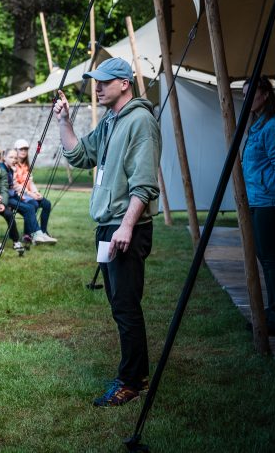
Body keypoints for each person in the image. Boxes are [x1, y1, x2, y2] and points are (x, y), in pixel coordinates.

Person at [54, 57, 161, 407]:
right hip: (108, 226)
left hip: (125, 227)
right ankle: (134, 372)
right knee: (119, 305)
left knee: (127, 306)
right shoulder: (111, 121)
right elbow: (80, 155)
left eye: (103, 81)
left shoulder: (141, 121)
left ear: (125, 83)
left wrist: (127, 226)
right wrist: (64, 121)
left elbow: (144, 184)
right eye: (94, 81)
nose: (96, 87)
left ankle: (132, 381)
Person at [242, 76, 275, 336]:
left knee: (271, 259)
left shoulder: (272, 127)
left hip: (269, 201)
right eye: (244, 94)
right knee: (266, 258)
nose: (246, 99)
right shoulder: (258, 125)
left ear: (265, 94)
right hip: (257, 199)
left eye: (251, 93)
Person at [13, 139, 57, 244]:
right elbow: (15, 185)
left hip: (29, 193)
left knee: (46, 204)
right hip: (20, 195)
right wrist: (30, 194)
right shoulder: (13, 164)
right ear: (16, 150)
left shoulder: (27, 165)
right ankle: (29, 234)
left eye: (25, 149)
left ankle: (43, 231)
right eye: (21, 149)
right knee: (34, 204)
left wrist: (36, 192)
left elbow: (30, 182)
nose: (23, 151)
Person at [2, 148, 41, 246]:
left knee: (32, 206)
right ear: (4, 157)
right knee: (28, 208)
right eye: (10, 157)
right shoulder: (3, 169)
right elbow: (8, 188)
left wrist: (24, 196)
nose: (13, 160)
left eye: (15, 158)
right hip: (7, 199)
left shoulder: (10, 169)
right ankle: (36, 233)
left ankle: (32, 233)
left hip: (13, 196)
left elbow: (13, 187)